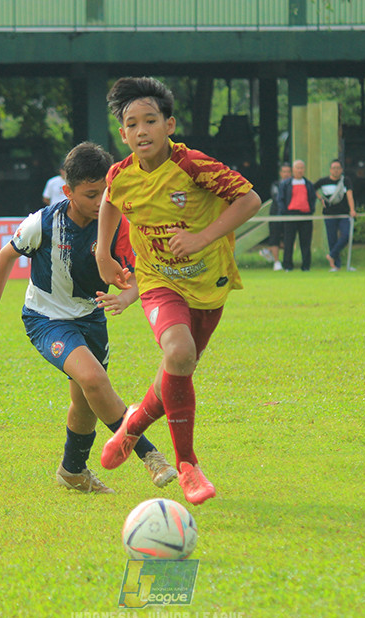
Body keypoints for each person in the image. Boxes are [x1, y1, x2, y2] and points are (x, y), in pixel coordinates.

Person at [0, 141, 177, 495]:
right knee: (94, 380)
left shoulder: (117, 225)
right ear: (67, 191)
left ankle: (72, 470)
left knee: (86, 400)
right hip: (46, 319)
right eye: (91, 195)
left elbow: (141, 272)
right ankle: (149, 455)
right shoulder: (43, 223)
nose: (100, 203)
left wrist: (126, 297)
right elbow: (5, 257)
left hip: (92, 319)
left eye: (106, 193)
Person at [95, 76, 261, 505]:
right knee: (180, 353)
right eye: (133, 124)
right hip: (159, 281)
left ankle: (132, 426)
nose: (142, 130)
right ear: (123, 134)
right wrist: (103, 254)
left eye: (151, 120)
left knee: (178, 367)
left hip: (208, 284)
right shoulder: (120, 175)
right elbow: (110, 199)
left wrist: (202, 238)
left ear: (170, 125)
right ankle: (187, 464)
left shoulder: (194, 167)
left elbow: (249, 200)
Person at [313, 158, 357, 272]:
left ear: (341, 170)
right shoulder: (323, 181)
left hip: (343, 214)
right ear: (330, 170)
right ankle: (336, 265)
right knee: (331, 238)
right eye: (334, 168)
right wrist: (320, 198)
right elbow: (312, 188)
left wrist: (352, 210)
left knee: (346, 235)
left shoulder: (346, 181)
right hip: (329, 214)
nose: (336, 170)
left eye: (338, 168)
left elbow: (350, 195)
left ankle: (331, 255)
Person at [276, 159, 315, 272]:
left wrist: (310, 210)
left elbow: (312, 199)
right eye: (297, 168)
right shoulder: (285, 184)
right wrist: (285, 212)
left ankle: (306, 266)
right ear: (293, 170)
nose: (299, 170)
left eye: (301, 168)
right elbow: (281, 199)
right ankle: (288, 266)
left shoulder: (308, 184)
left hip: (305, 216)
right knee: (288, 242)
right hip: (290, 216)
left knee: (306, 242)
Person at [258, 162, 290, 271]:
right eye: (284, 172)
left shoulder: (294, 184)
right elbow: (277, 198)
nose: (286, 174)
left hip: (289, 215)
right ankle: (276, 262)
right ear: (281, 173)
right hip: (276, 214)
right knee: (274, 238)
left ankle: (269, 252)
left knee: (288, 239)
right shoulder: (276, 185)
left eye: (288, 172)